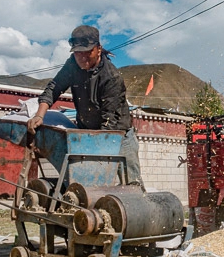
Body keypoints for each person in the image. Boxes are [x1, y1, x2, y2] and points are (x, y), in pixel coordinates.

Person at [27, 25, 142, 187]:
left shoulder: (111, 78)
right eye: (77, 53)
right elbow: (54, 87)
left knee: (132, 186)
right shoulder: (72, 65)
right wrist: (39, 116)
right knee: (85, 186)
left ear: (99, 49)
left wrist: (97, 157)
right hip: (86, 134)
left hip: (119, 136)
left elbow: (109, 124)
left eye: (87, 52)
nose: (82, 58)